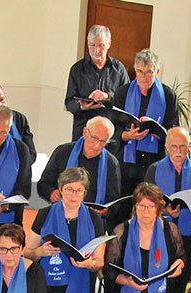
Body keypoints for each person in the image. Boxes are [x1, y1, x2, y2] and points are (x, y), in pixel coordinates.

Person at [26, 167, 106, 293]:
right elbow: (28, 252)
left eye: (79, 190)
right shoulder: (45, 214)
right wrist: (39, 252)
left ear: (85, 192)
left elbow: (99, 261)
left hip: (79, 287)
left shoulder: (93, 218)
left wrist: (89, 263)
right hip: (48, 289)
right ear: (60, 189)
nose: (73, 194)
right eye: (69, 189)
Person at [112, 49, 178, 196]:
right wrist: (127, 135)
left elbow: (174, 129)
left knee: (150, 202)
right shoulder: (123, 93)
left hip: (153, 162)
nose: (144, 77)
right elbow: (112, 127)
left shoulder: (168, 96)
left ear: (157, 71)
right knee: (124, 205)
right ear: (135, 70)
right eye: (140, 72)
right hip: (126, 162)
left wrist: (156, 132)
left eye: (149, 72)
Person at [146, 126, 191, 277]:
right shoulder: (154, 170)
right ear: (167, 146)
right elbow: (144, 204)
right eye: (174, 146)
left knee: (180, 280)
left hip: (187, 237)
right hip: (159, 232)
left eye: (182, 146)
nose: (178, 150)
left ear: (189, 145)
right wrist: (165, 211)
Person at [37, 116, 121, 208]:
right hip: (61, 213)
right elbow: (43, 185)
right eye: (94, 138)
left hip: (93, 218)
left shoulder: (111, 163)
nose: (97, 145)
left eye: (103, 141)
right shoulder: (63, 152)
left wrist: (106, 212)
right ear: (85, 132)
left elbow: (114, 200)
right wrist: (51, 193)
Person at [64, 24, 130, 139]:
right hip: (84, 133)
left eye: (101, 45)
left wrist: (108, 97)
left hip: (111, 134)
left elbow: (127, 101)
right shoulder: (77, 69)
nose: (96, 50)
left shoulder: (118, 69)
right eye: (92, 45)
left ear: (109, 44)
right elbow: (69, 102)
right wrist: (82, 106)